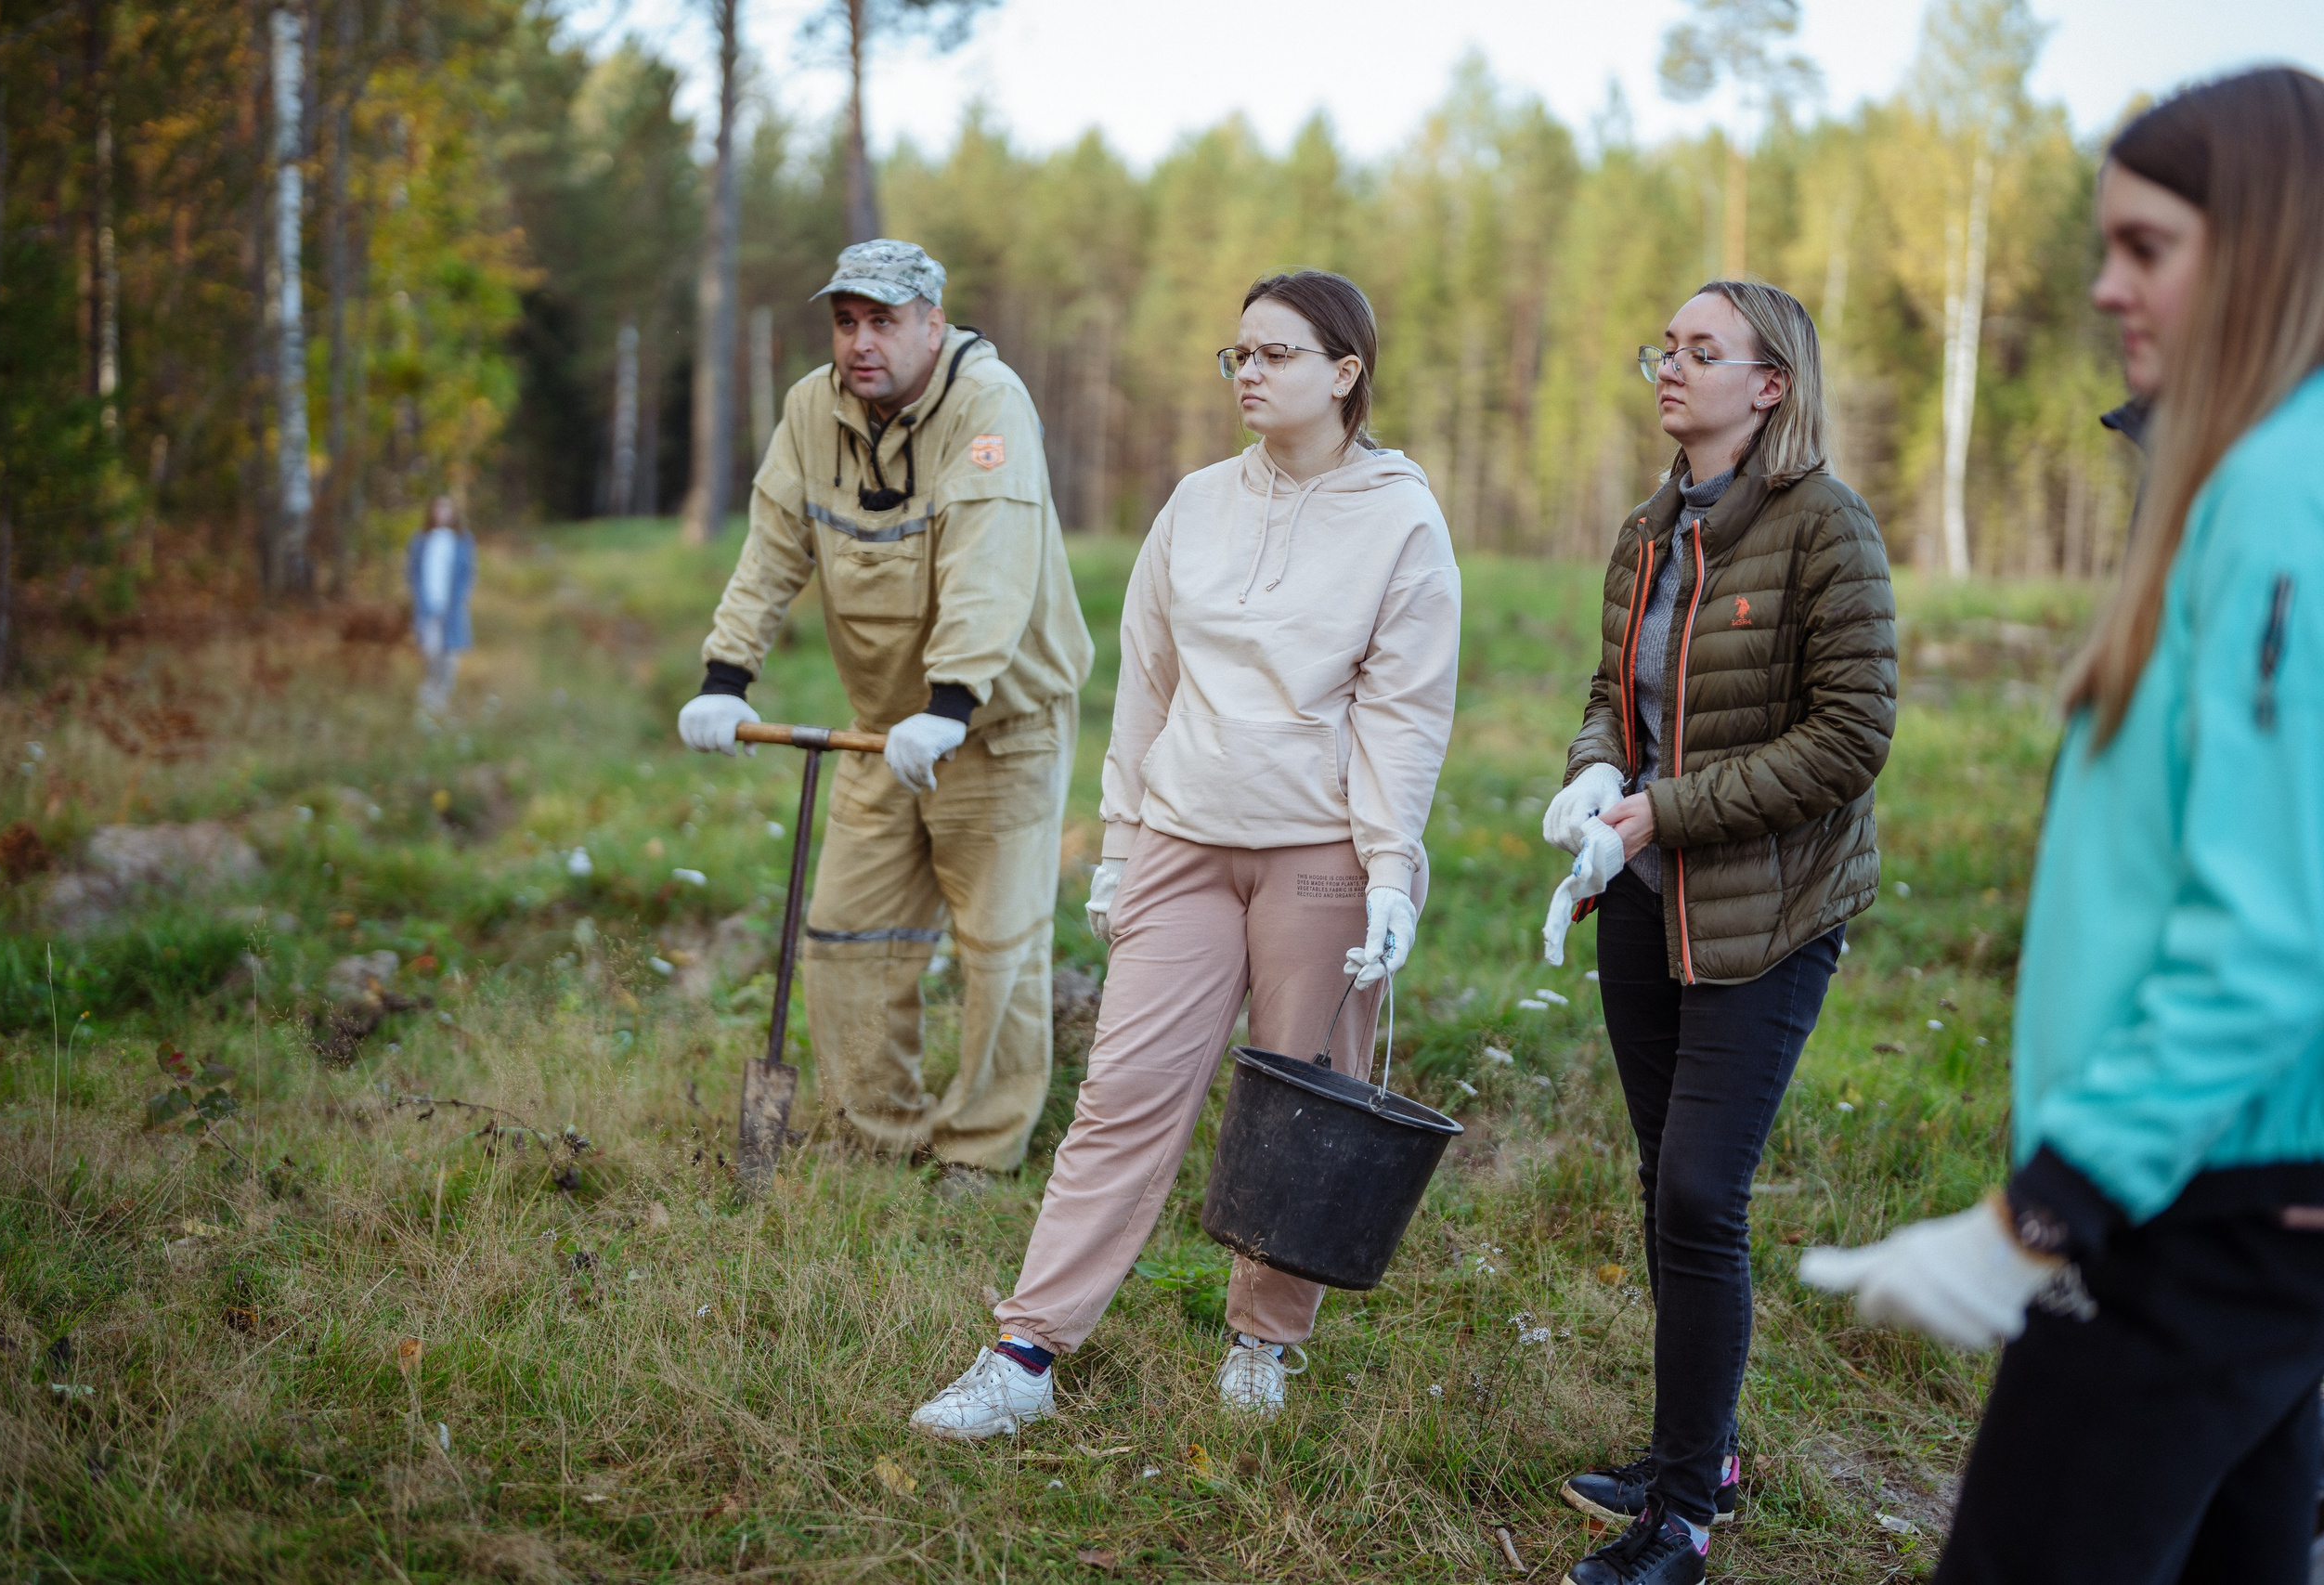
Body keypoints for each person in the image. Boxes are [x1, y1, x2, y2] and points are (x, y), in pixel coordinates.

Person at [1800, 68, 2324, 1585]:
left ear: (2267, 248)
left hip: (2191, 1201)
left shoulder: (2279, 498)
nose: (2105, 288)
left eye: (2148, 248)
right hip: (2244, 1183)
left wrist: (2047, 1205)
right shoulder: (2257, 474)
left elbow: (2274, 928)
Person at [906, 269, 1461, 1439]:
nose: (1246, 372)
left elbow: (1404, 715)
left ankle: (1264, 1341)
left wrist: (1390, 872)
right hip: (1181, 841)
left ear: (1344, 372)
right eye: (1237, 354)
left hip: (1320, 857)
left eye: (1274, 354)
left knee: (1304, 1107)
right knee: (1121, 1096)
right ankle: (1024, 1352)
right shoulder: (1196, 502)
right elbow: (1147, 682)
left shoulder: (1402, 520)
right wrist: (1120, 844)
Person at [1540, 279, 1897, 1585]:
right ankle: (1706, 1453)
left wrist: (1661, 810)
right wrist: (1596, 772)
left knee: (1700, 1189)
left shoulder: (1826, 526)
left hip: (1771, 913)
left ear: (1771, 385)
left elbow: (1851, 737)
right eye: (1664, 349)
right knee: (1665, 1181)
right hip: (1645, 900)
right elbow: (1612, 690)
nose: (1670, 368)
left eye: (1702, 351)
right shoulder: (1650, 526)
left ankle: (1682, 1519)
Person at [677, 240, 1094, 1189]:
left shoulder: (988, 406)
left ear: (933, 324)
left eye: (884, 320)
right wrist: (725, 675)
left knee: (998, 949)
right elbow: (772, 547)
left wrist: (953, 702)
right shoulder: (810, 411)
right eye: (846, 321)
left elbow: (989, 563)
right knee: (846, 934)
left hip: (996, 725)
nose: (861, 342)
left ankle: (978, 1153)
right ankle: (878, 1135)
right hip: (883, 727)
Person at [406, 495, 476, 714]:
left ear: (453, 513)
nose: (442, 513)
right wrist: (419, 597)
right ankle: (429, 693)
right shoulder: (420, 540)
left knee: (449, 654)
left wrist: (462, 597)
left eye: (446, 509)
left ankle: (442, 698)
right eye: (438, 509)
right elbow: (412, 572)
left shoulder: (462, 540)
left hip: (452, 606)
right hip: (428, 605)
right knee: (430, 651)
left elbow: (468, 573)